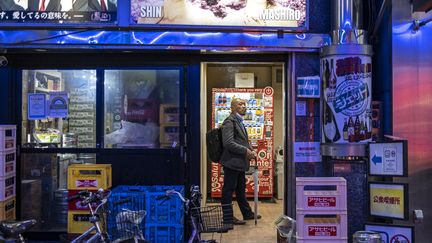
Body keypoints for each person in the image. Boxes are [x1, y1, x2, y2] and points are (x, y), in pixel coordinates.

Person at [220, 97, 261, 225]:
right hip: (232, 163)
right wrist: (245, 151)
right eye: (240, 104)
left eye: (244, 104)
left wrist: (250, 149)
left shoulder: (239, 121)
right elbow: (228, 143)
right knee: (228, 190)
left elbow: (240, 140)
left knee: (240, 189)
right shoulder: (229, 122)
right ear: (232, 108)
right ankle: (227, 218)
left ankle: (247, 213)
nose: (243, 106)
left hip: (239, 163)